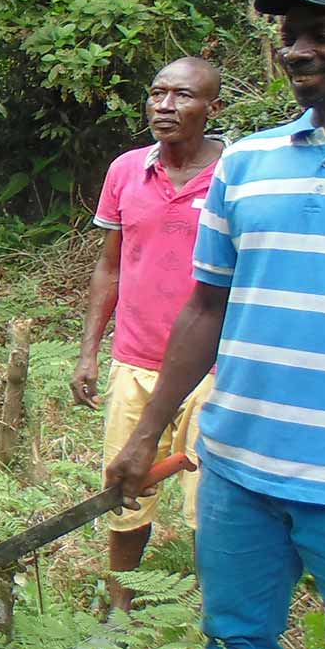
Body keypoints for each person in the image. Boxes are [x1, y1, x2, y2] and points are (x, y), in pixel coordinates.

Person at [107, 0, 325, 649]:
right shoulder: (252, 166)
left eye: (322, 32)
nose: (298, 50)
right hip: (239, 466)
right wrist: (147, 430)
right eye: (289, 33)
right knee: (236, 645)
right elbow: (205, 306)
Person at [72, 57, 224, 613]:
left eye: (182, 96)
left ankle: (214, 618)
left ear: (213, 109)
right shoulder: (126, 171)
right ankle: (119, 608)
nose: (164, 106)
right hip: (135, 360)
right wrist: (90, 351)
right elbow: (109, 267)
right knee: (124, 492)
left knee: (210, 505)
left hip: (216, 369)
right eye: (157, 94)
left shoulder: (237, 174)